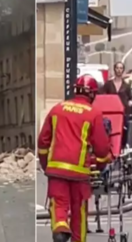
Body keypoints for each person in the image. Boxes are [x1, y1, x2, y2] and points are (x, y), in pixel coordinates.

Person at [37, 74, 112, 242]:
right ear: (92, 94)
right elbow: (101, 149)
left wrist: (45, 165)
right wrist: (100, 166)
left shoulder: (57, 109)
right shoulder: (94, 114)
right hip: (80, 174)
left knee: (59, 205)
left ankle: (60, 228)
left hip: (56, 171)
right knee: (79, 212)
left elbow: (43, 142)